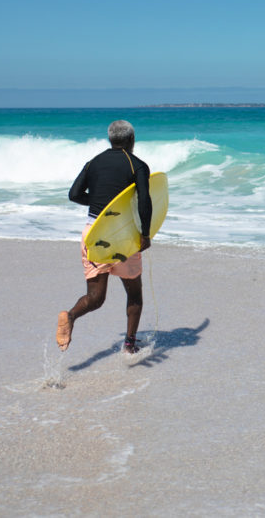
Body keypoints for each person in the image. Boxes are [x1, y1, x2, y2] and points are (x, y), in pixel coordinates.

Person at [58, 120, 152, 354]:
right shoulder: (137, 165)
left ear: (111, 140)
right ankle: (129, 345)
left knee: (96, 297)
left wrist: (102, 202)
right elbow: (144, 201)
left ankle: (70, 316)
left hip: (94, 232)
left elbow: (74, 194)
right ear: (132, 140)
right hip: (122, 236)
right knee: (134, 294)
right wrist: (146, 234)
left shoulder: (93, 163)